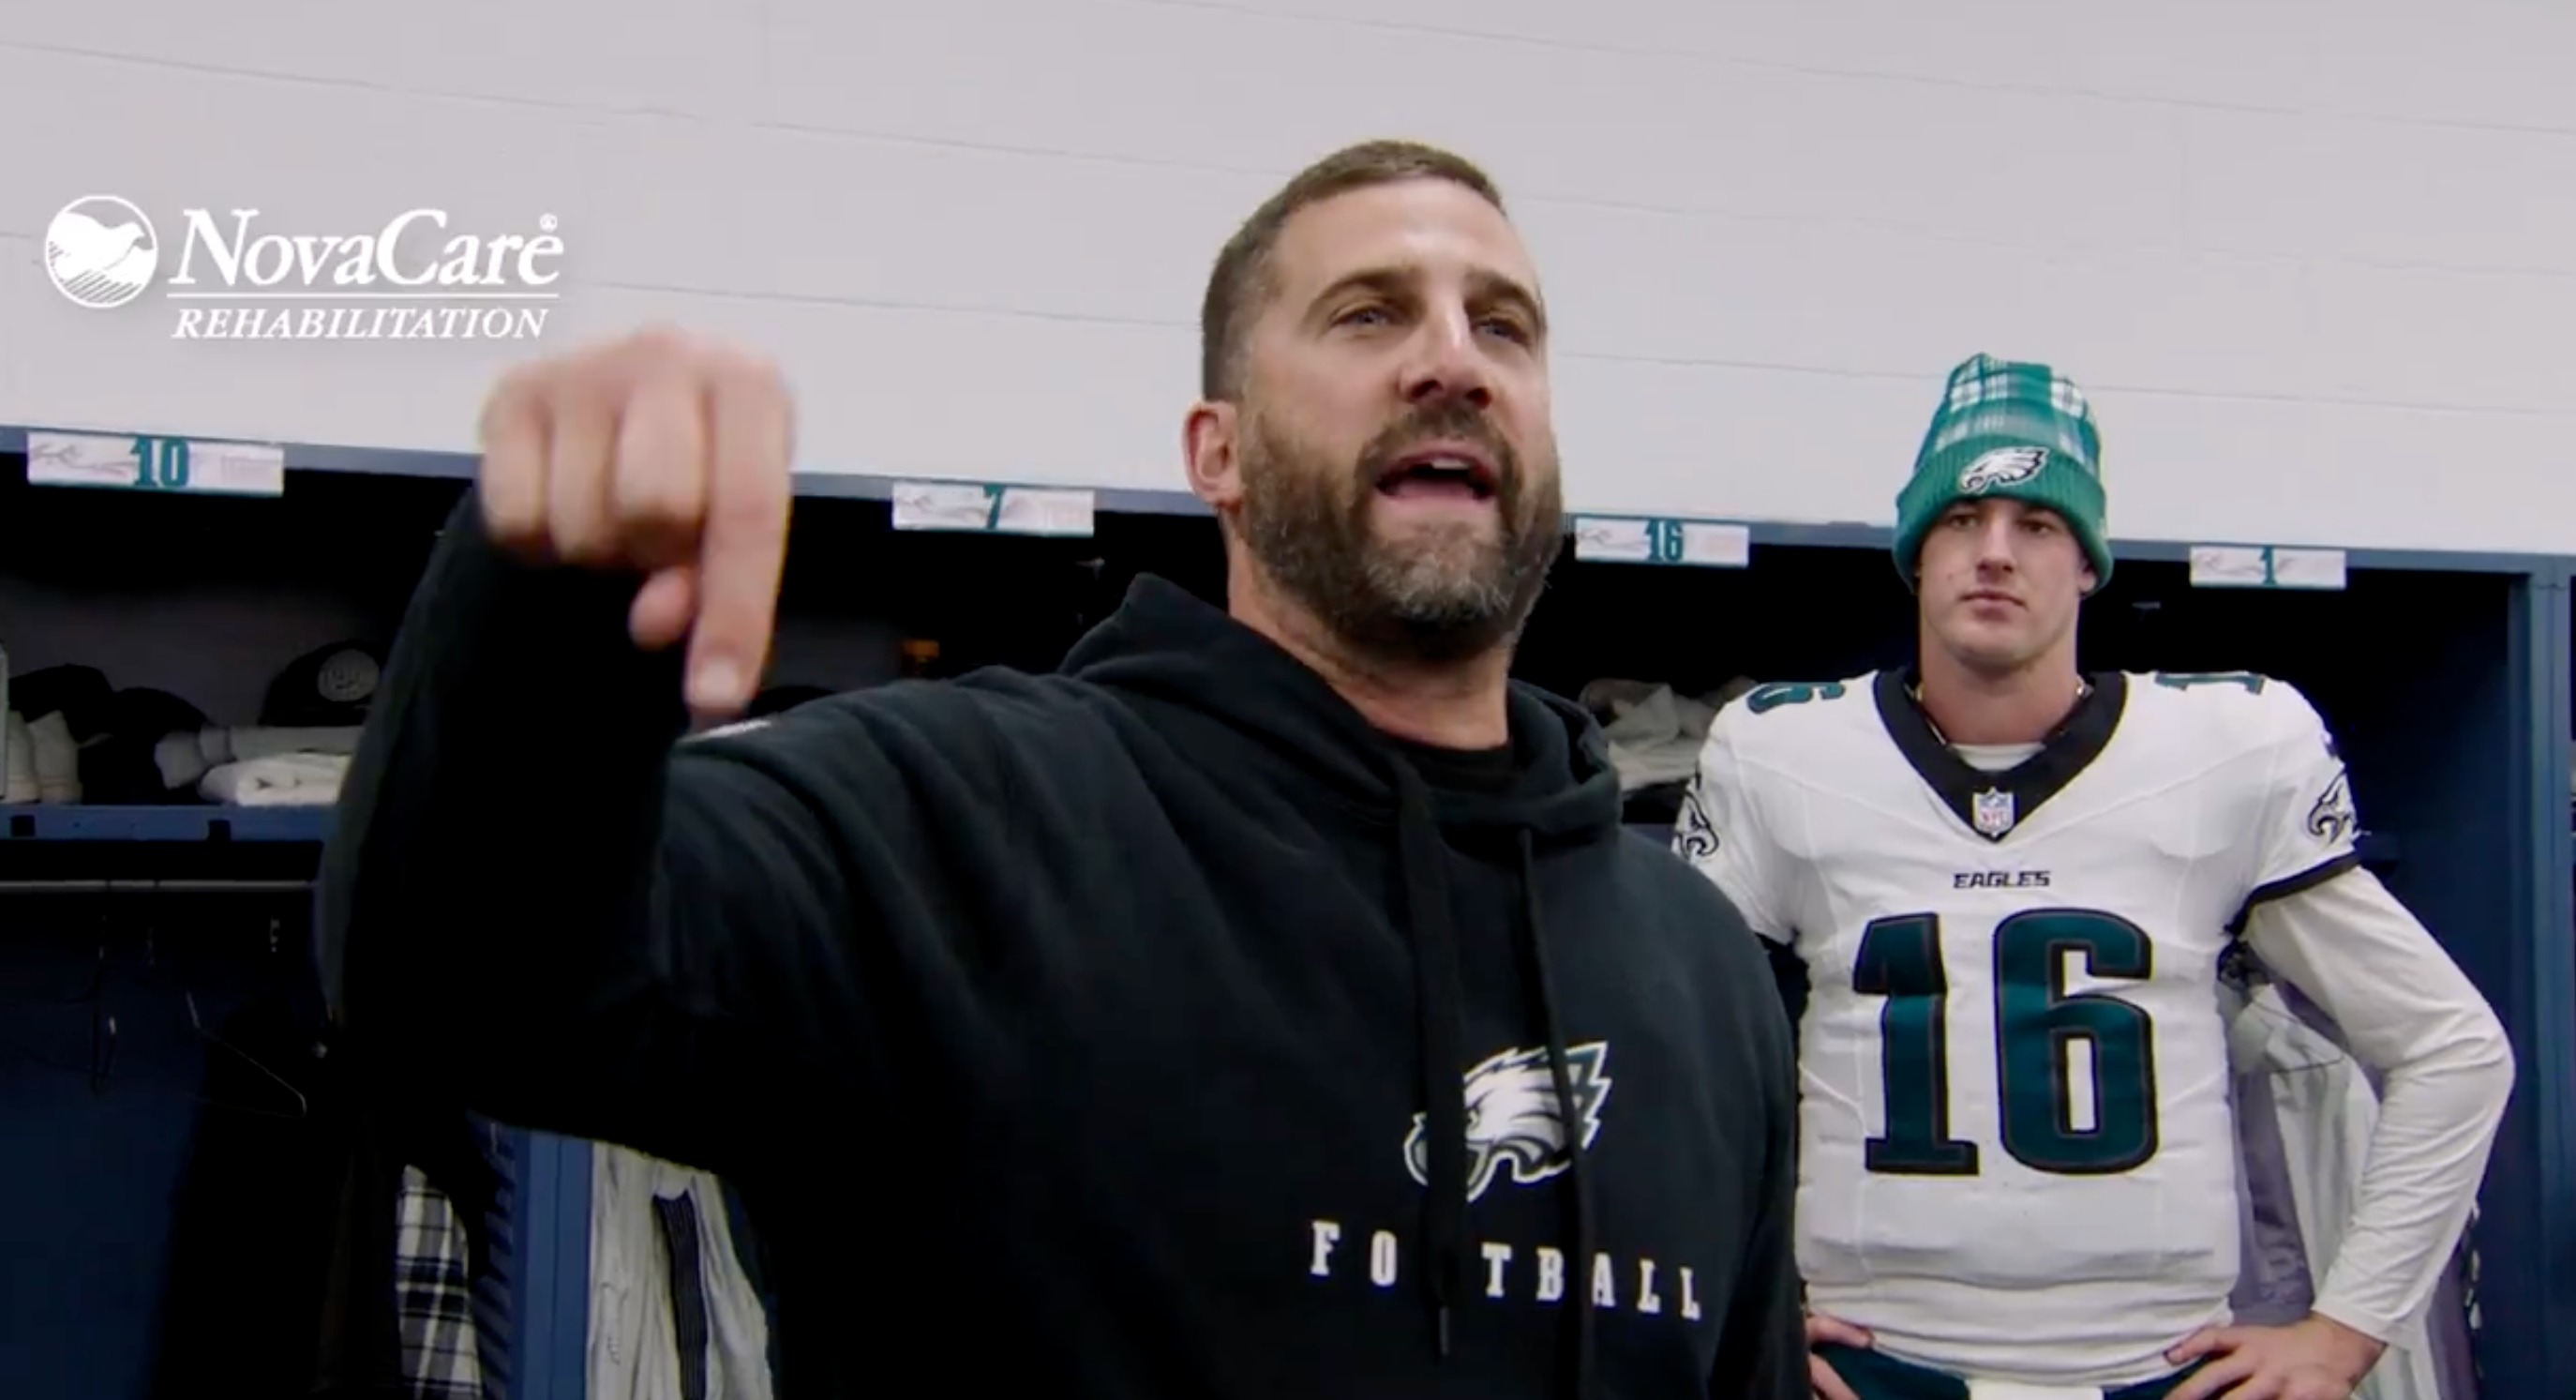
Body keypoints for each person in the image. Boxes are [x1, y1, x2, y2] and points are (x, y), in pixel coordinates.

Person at [318, 139, 1807, 1398]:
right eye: (1367, 315)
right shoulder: (954, 826)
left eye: (1505, 325)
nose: (1452, 361)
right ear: (1213, 451)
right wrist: (544, 592)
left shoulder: (1697, 972)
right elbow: (456, 986)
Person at [1671, 354, 2515, 1400]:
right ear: (1914, 556)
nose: (1994, 552)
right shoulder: (1786, 752)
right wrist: (1726, 1301)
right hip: (1874, 1359)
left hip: (2153, 1364)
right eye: (1961, 520)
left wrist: (2348, 1328)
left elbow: (2452, 1047)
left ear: (2086, 564)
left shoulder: (2226, 746)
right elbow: (1667, 1063)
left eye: (2037, 524)